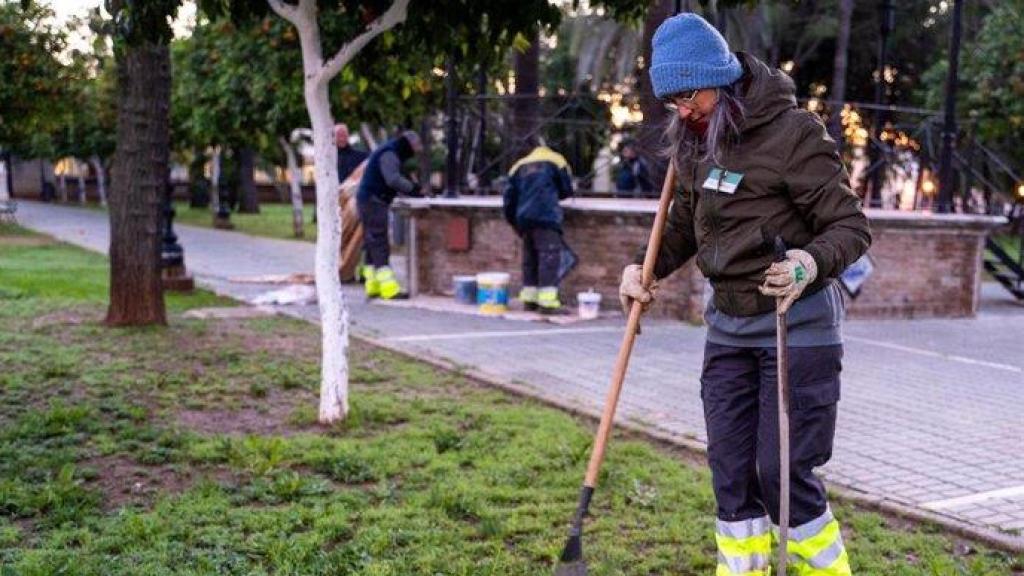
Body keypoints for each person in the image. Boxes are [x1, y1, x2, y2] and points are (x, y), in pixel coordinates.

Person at [619, 14, 870, 576]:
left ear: (720, 78)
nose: (682, 109)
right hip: (727, 332)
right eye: (672, 100)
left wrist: (808, 262)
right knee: (732, 474)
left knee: (779, 475)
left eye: (689, 95)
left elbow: (850, 228)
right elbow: (681, 227)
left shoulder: (794, 134)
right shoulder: (695, 144)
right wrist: (643, 268)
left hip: (795, 331)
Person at [502, 141, 575, 313]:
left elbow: (508, 198)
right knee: (548, 258)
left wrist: (513, 221)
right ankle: (547, 304)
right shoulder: (557, 160)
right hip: (546, 216)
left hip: (524, 219)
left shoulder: (519, 165)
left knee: (530, 259)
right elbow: (566, 189)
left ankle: (530, 300)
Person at [356, 130, 423, 299]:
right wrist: (413, 189)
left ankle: (372, 285)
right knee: (379, 242)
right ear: (409, 144)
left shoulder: (389, 151)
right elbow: (392, 179)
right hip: (374, 201)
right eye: (416, 147)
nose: (417, 151)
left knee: (371, 242)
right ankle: (389, 289)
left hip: (368, 199)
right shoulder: (390, 153)